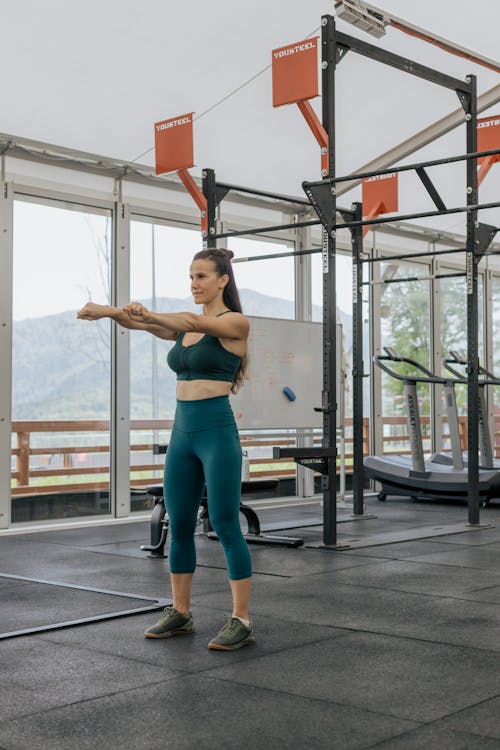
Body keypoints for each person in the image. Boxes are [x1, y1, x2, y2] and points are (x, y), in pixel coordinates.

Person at [77, 247, 254, 651]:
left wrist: (149, 313)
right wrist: (109, 311)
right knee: (178, 522)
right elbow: (143, 324)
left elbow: (191, 319)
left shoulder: (235, 322)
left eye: (202, 276)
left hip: (216, 431)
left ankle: (241, 618)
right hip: (182, 433)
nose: (194, 283)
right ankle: (181, 612)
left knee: (225, 523)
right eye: (191, 276)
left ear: (223, 280)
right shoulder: (184, 328)